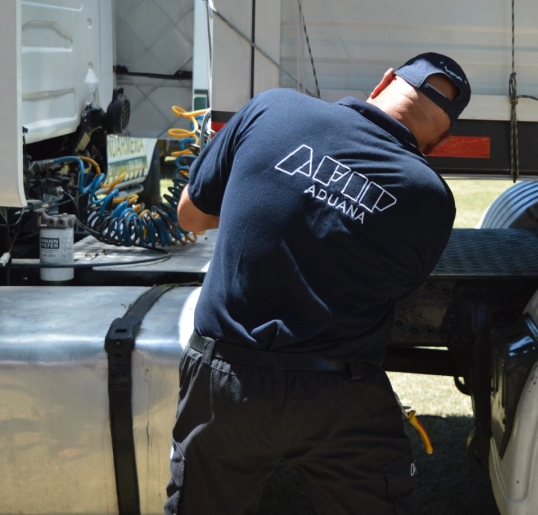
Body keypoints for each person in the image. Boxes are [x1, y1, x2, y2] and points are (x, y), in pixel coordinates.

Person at [166, 52, 471, 514]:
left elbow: (190, 214)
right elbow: (396, 289)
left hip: (226, 380)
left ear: (385, 81)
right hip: (338, 392)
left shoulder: (273, 108)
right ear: (442, 139)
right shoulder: (430, 198)